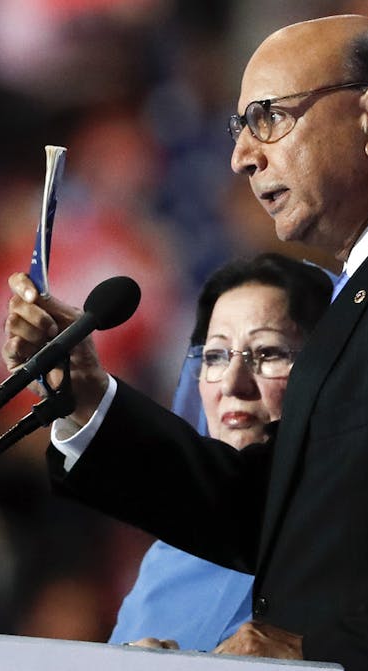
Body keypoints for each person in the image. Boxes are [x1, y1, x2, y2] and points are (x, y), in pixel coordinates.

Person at [2, 14, 368, 671]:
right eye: (238, 129)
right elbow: (284, 513)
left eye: (266, 117)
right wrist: (91, 404)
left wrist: (322, 651)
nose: (241, 156)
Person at [108, 253, 332, 650]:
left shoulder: (363, 542)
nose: (232, 382)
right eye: (215, 355)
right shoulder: (171, 559)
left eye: (268, 353)